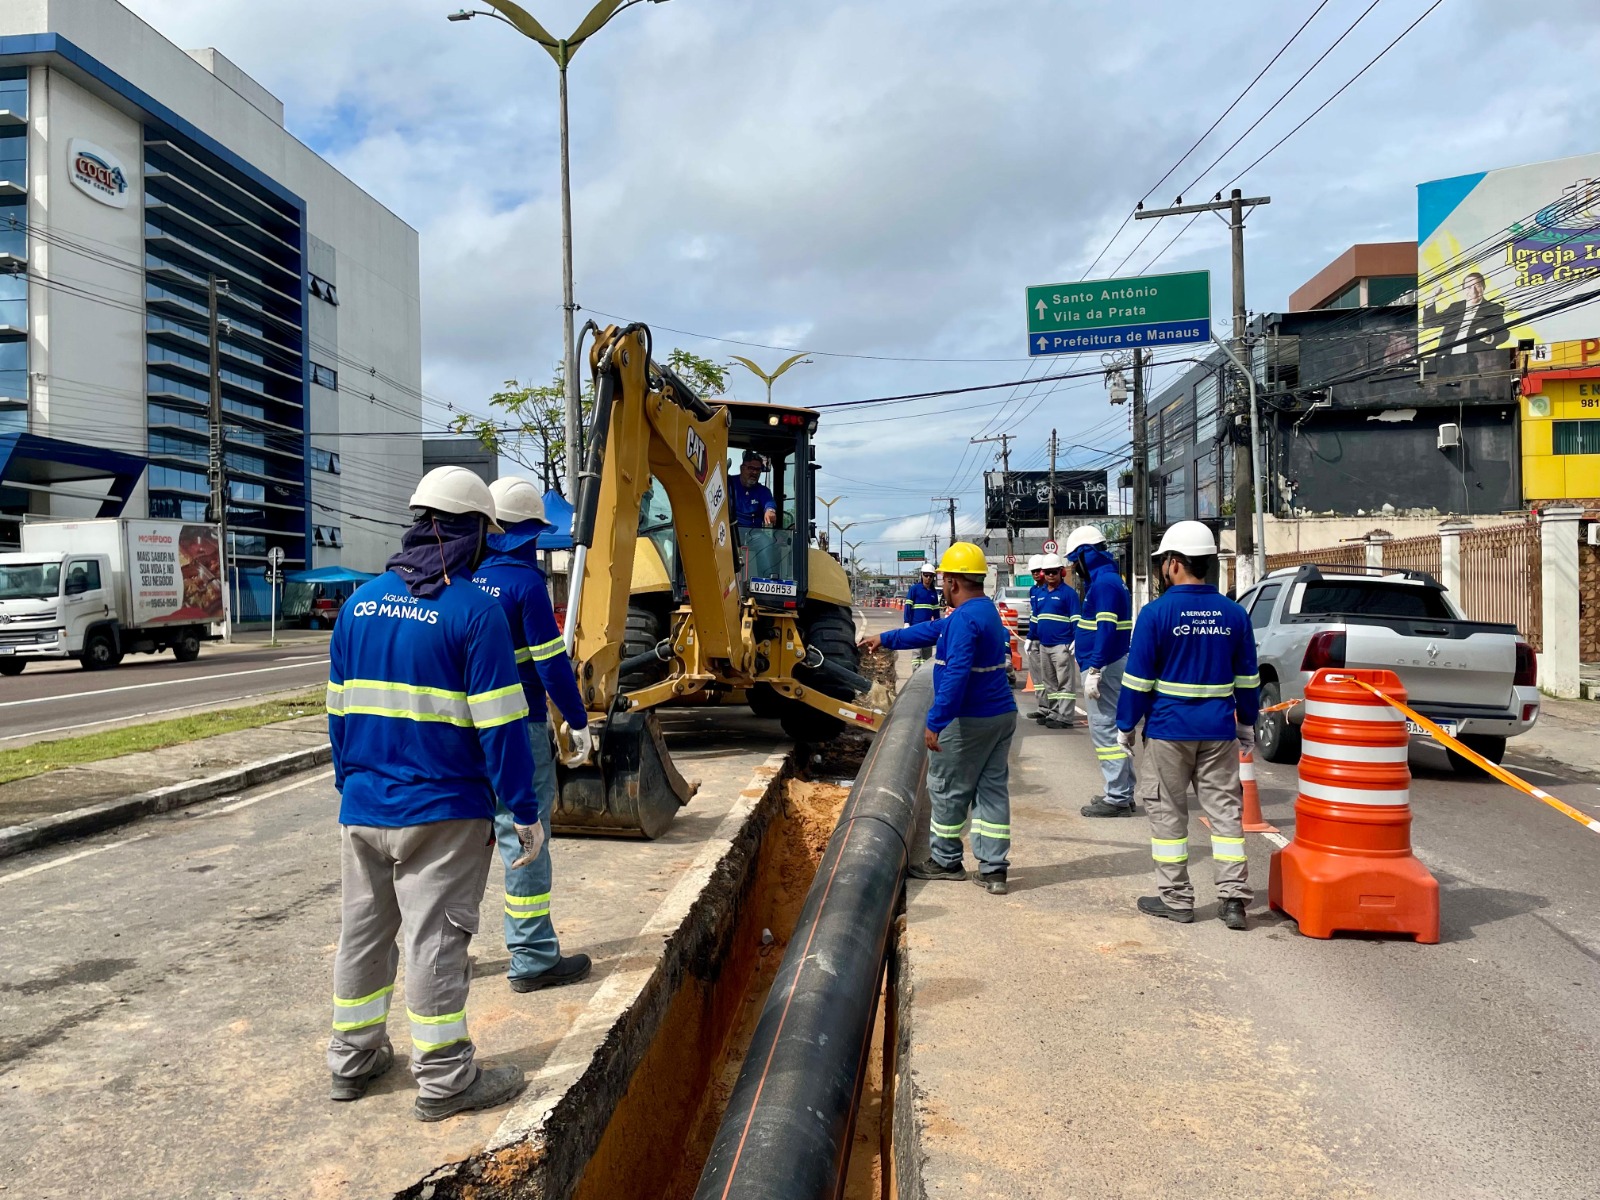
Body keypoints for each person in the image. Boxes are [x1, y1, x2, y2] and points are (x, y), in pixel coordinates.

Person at [325, 465, 539, 1121]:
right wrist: (523, 812)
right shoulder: (475, 613)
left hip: (363, 807)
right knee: (436, 942)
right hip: (443, 812)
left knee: (363, 935)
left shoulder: (359, 604)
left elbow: (337, 716)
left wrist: (352, 786)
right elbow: (503, 728)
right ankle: (445, 1079)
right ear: (474, 532)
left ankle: (352, 1062)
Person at [473, 477, 594, 992]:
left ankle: (450, 957)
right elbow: (552, 666)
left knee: (465, 841)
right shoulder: (527, 586)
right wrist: (580, 719)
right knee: (525, 838)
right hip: (520, 729)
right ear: (529, 534)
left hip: (466, 731)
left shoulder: (466, 581)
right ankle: (532, 957)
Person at [1115, 521, 1259, 931]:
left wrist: (1125, 726)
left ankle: (1177, 900)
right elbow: (1248, 678)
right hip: (1218, 731)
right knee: (1226, 815)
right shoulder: (1234, 613)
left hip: (1168, 731)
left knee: (1167, 817)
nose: (1163, 568)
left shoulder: (1156, 614)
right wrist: (1247, 722)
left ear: (1175, 563)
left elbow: (1138, 681)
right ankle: (1233, 900)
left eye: (1163, 561)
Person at [861, 542, 1018, 895]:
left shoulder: (963, 620)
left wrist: (936, 721)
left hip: (970, 718)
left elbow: (956, 674)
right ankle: (994, 870)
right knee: (991, 791)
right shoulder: (984, 612)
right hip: (1001, 716)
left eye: (945, 578)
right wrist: (884, 639)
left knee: (947, 789)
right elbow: (928, 632)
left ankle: (946, 860)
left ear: (954, 581)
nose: (942, 583)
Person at [1066, 527, 1137, 818]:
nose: (1074, 567)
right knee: (1111, 728)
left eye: (1075, 560)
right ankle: (1122, 791)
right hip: (1108, 663)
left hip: (1104, 667)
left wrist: (1094, 666)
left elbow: (1106, 628)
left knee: (1106, 730)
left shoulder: (1105, 584)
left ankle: (1118, 796)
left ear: (1086, 554)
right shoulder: (1108, 580)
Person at [1032, 552, 1080, 729]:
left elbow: (1076, 618)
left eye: (1054, 571)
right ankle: (1053, 713)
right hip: (1044, 645)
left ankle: (1066, 717)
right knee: (1050, 683)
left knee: (1064, 683)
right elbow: (1036, 618)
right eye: (1048, 572)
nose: (1051, 575)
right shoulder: (1040, 593)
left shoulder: (1069, 594)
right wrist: (1031, 638)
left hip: (1062, 645)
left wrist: (1076, 639)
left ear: (1062, 572)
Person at [1423, 271, 1505, 354]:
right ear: (1463, 289)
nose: (1473, 292)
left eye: (1477, 286)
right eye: (1468, 287)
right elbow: (1429, 323)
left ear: (1484, 287)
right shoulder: (1455, 307)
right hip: (1446, 359)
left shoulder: (1494, 308)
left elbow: (1504, 334)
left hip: (1476, 360)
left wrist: (1489, 337)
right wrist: (1432, 296)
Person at [729, 449, 778, 529]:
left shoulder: (763, 491)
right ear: (742, 468)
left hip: (754, 533)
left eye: (757, 469)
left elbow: (769, 502)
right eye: (751, 468)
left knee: (766, 541)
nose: (754, 472)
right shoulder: (729, 483)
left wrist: (770, 511)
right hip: (731, 530)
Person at [1022, 554, 1046, 714]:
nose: (1036, 574)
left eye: (1038, 571)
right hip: (1034, 637)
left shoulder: (1048, 589)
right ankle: (1043, 707)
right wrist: (1030, 636)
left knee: (1049, 677)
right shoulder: (1033, 590)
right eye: (1033, 572)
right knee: (1037, 677)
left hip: (1047, 639)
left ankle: (1054, 709)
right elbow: (1034, 614)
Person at [902, 563, 941, 662]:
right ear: (921, 575)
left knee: (927, 655)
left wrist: (938, 627)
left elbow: (936, 613)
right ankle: (915, 674)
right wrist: (906, 622)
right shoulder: (914, 589)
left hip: (928, 628)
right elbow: (908, 606)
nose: (928, 578)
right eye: (926, 575)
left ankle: (923, 676)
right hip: (916, 627)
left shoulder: (933, 593)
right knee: (916, 654)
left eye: (930, 576)